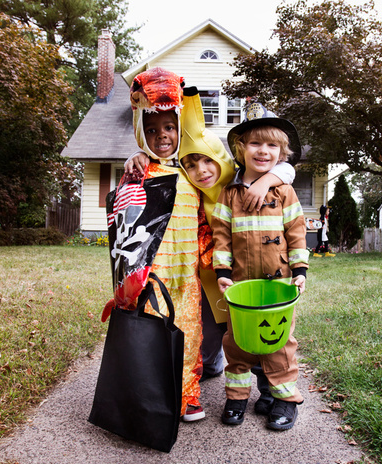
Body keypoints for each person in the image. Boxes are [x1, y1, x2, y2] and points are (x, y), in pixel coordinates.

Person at [125, 88, 296, 418]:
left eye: (207, 160)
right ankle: (214, 364)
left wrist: (268, 178)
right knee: (216, 336)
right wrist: (135, 157)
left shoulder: (238, 179)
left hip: (254, 269)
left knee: (257, 328)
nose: (201, 169)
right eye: (192, 164)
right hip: (207, 275)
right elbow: (160, 166)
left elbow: (285, 169)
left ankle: (270, 389)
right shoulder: (191, 185)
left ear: (221, 159)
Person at [110, 67, 204, 422]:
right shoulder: (140, 170)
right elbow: (124, 218)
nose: (162, 135)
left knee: (189, 329)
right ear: (140, 131)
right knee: (150, 331)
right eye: (151, 129)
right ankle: (152, 393)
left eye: (168, 127)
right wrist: (130, 162)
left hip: (187, 268)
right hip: (153, 270)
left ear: (180, 129)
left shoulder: (193, 170)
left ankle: (188, 394)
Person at [211, 103, 309, 431]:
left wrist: (300, 271)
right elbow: (221, 239)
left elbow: (297, 233)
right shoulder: (229, 194)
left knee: (279, 342)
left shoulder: (283, 190)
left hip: (278, 281)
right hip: (241, 284)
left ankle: (283, 399)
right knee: (237, 342)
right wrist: (222, 274)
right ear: (240, 149)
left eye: (272, 145)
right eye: (255, 143)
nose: (263, 151)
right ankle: (237, 398)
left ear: (282, 152)